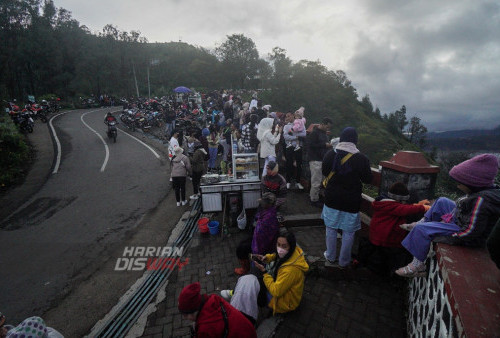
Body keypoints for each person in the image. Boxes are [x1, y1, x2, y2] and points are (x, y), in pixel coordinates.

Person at [395, 154, 500, 277]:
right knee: (442, 201)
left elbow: (471, 231)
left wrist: (439, 236)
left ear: (473, 183)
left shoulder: (481, 200)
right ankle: (422, 221)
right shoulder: (480, 192)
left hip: (465, 232)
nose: (458, 185)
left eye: (460, 183)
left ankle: (417, 265)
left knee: (422, 230)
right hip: (462, 219)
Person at [322, 127, 373, 268]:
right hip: (351, 200)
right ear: (355, 140)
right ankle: (344, 261)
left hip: (332, 197)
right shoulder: (361, 158)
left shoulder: (330, 154)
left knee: (331, 228)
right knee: (348, 231)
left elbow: (325, 171)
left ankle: (330, 256)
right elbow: (368, 178)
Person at [363, 182, 430, 275]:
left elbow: (402, 207)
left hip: (377, 236)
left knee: (379, 258)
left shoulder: (384, 203)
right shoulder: (393, 206)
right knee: (391, 259)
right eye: (405, 200)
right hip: (387, 240)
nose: (406, 202)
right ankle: (390, 275)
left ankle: (378, 273)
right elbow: (404, 209)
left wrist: (417, 204)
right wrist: (422, 207)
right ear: (399, 199)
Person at [252, 229, 309, 314]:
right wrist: (267, 258)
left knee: (258, 286)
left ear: (291, 246)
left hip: (286, 302)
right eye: (278, 245)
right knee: (257, 279)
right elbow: (277, 256)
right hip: (284, 290)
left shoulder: (290, 270)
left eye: (284, 246)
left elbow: (276, 292)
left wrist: (264, 272)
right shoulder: (293, 253)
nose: (280, 249)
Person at [178, 282, 256, 338]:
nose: (184, 318)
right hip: (249, 331)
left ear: (194, 312)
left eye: (185, 315)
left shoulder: (204, 330)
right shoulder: (214, 299)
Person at [307, 117, 333, 207]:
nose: (328, 129)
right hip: (315, 159)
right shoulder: (314, 133)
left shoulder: (324, 134)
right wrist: (324, 145)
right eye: (327, 127)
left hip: (322, 159)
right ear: (322, 124)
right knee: (316, 181)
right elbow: (310, 145)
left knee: (321, 180)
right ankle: (314, 200)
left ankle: (315, 196)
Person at [283, 112, 304, 190]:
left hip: (298, 146)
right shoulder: (286, 126)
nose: (288, 117)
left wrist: (293, 136)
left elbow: (304, 134)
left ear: (293, 116)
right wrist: (296, 137)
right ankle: (288, 181)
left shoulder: (300, 123)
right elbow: (285, 136)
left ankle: (298, 182)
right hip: (290, 146)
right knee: (289, 163)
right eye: (286, 116)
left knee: (299, 164)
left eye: (289, 116)